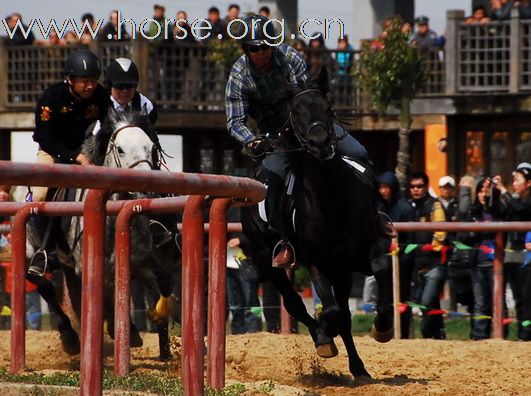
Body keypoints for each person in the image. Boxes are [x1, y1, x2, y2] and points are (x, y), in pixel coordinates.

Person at [225, 15, 373, 268]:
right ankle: (286, 241)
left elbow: (304, 99)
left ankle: (375, 219)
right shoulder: (239, 75)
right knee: (271, 182)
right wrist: (253, 141)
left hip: (309, 122)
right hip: (273, 135)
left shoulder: (290, 57)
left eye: (265, 46)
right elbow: (234, 122)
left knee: (359, 153)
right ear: (245, 49)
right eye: (254, 48)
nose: (261, 52)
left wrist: (313, 127)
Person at [29, 49, 110, 275]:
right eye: (85, 81)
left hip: (86, 153)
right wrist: (74, 157)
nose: (90, 86)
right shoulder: (51, 98)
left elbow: (108, 126)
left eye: (93, 81)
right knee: (39, 195)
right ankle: (44, 251)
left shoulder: (101, 96)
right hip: (52, 153)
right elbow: (45, 137)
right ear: (70, 79)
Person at [460, 176, 504, 339]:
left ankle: (501, 336)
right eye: (480, 190)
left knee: (498, 302)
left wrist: (498, 189)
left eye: (487, 190)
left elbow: (503, 210)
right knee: (480, 303)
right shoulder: (471, 212)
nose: (484, 193)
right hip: (477, 262)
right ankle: (480, 336)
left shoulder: (497, 212)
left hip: (495, 262)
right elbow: (463, 234)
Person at [376, 171, 416, 337]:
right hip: (381, 263)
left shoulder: (405, 208)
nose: (383, 191)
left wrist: (403, 260)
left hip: (402, 264)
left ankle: (404, 334)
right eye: (381, 187)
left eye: (386, 187)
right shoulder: (378, 207)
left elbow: (411, 239)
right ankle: (384, 332)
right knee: (383, 301)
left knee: (402, 300)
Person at [408, 171, 448, 339]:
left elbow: (441, 232)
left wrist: (433, 248)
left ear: (426, 187)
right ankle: (439, 335)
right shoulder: (409, 206)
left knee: (425, 303)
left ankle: (427, 336)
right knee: (431, 302)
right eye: (413, 186)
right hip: (417, 266)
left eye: (419, 186)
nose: (416, 189)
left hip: (434, 264)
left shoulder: (434, 205)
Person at [494, 162, 531, 340]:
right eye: (513, 180)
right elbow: (500, 212)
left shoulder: (526, 201)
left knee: (526, 297)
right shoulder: (512, 199)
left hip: (526, 256)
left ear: (529, 183)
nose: (514, 183)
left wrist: (504, 191)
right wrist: (493, 193)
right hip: (511, 254)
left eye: (518, 180)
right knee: (515, 296)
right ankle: (511, 334)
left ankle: (526, 334)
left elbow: (521, 209)